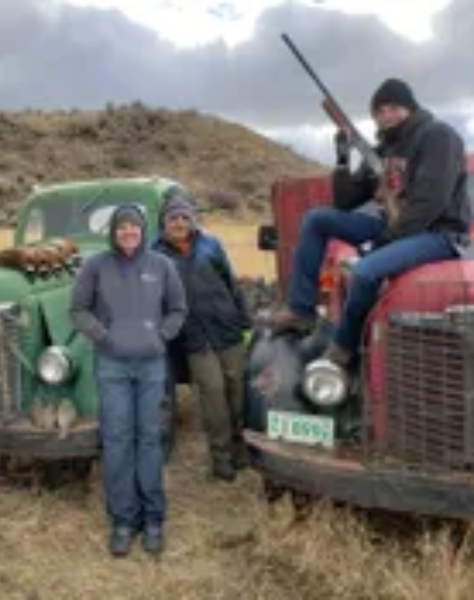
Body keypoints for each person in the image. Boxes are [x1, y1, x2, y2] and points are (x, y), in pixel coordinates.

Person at [268, 78, 471, 367]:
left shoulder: (439, 137)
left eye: (393, 108)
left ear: (410, 108)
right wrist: (342, 157)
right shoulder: (383, 149)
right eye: (379, 111)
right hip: (397, 228)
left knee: (363, 273)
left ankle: (343, 347)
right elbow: (345, 201)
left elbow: (431, 203)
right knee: (317, 219)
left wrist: (382, 242)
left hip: (439, 234)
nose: (386, 116)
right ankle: (302, 310)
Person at [71, 204, 186, 558]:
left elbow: (178, 309)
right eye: (121, 227)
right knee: (117, 440)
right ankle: (123, 521)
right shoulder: (96, 266)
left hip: (151, 365)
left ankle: (153, 520)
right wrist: (103, 336)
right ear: (113, 232)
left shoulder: (162, 266)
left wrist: (160, 336)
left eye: (134, 227)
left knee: (149, 438)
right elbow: (78, 309)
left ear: (143, 229)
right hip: (112, 366)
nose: (128, 233)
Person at [153, 195, 252, 482]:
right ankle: (221, 459)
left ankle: (241, 450)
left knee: (237, 393)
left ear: (192, 220)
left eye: (184, 217)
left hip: (227, 329)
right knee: (213, 396)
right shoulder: (155, 255)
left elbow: (231, 283)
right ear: (164, 223)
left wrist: (245, 320)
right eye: (173, 218)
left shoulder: (211, 245)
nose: (180, 223)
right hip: (194, 338)